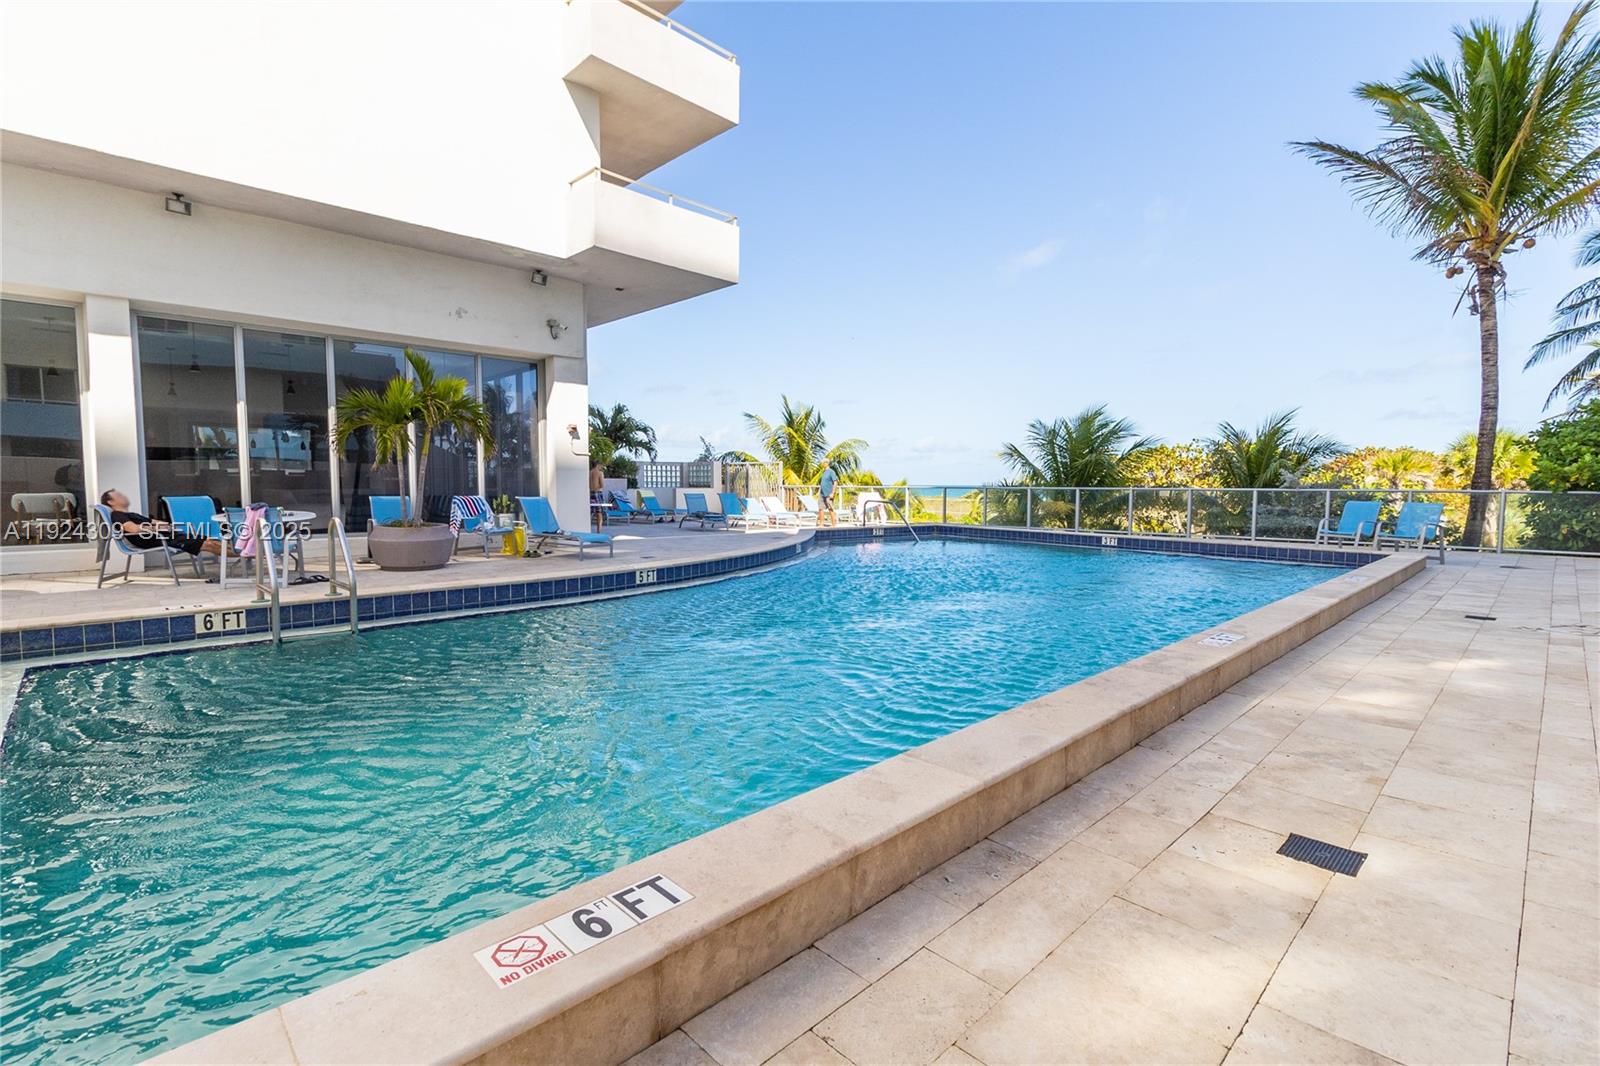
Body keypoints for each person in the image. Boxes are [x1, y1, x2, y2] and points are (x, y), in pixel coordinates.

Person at [99, 490, 222, 557]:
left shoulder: (133, 515)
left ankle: (232, 563)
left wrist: (166, 525)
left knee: (213, 541)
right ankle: (232, 564)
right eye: (119, 495)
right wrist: (157, 527)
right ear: (110, 502)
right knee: (209, 545)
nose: (123, 495)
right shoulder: (117, 515)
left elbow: (156, 522)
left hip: (169, 536)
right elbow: (134, 529)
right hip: (161, 540)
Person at [817, 458, 838, 528]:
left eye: (823, 463)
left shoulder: (831, 472)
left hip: (829, 493)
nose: (822, 464)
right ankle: (821, 524)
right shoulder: (823, 472)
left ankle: (833, 524)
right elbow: (822, 483)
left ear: (827, 463)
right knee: (820, 508)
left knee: (830, 508)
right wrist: (819, 492)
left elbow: (835, 482)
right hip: (822, 493)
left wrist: (833, 493)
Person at [589, 460, 607, 530]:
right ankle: (599, 532)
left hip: (591, 493)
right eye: (601, 465)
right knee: (599, 513)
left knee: (591, 512)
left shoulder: (590, 472)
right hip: (598, 493)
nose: (601, 467)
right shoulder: (600, 473)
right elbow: (602, 485)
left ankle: (588, 529)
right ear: (598, 465)